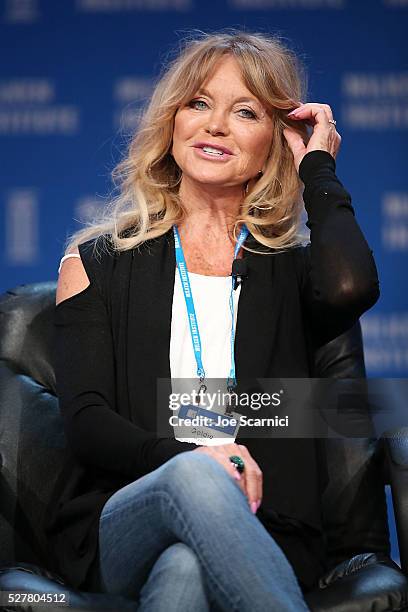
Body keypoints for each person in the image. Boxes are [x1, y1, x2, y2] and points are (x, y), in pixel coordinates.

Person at [45, 31, 380, 611]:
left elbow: (352, 285)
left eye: (245, 111)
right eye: (199, 103)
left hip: (264, 525)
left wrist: (318, 168)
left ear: (275, 142)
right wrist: (194, 462)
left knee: (183, 572)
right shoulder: (96, 265)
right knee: (196, 479)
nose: (215, 125)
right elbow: (87, 420)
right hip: (127, 516)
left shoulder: (294, 274)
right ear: (172, 122)